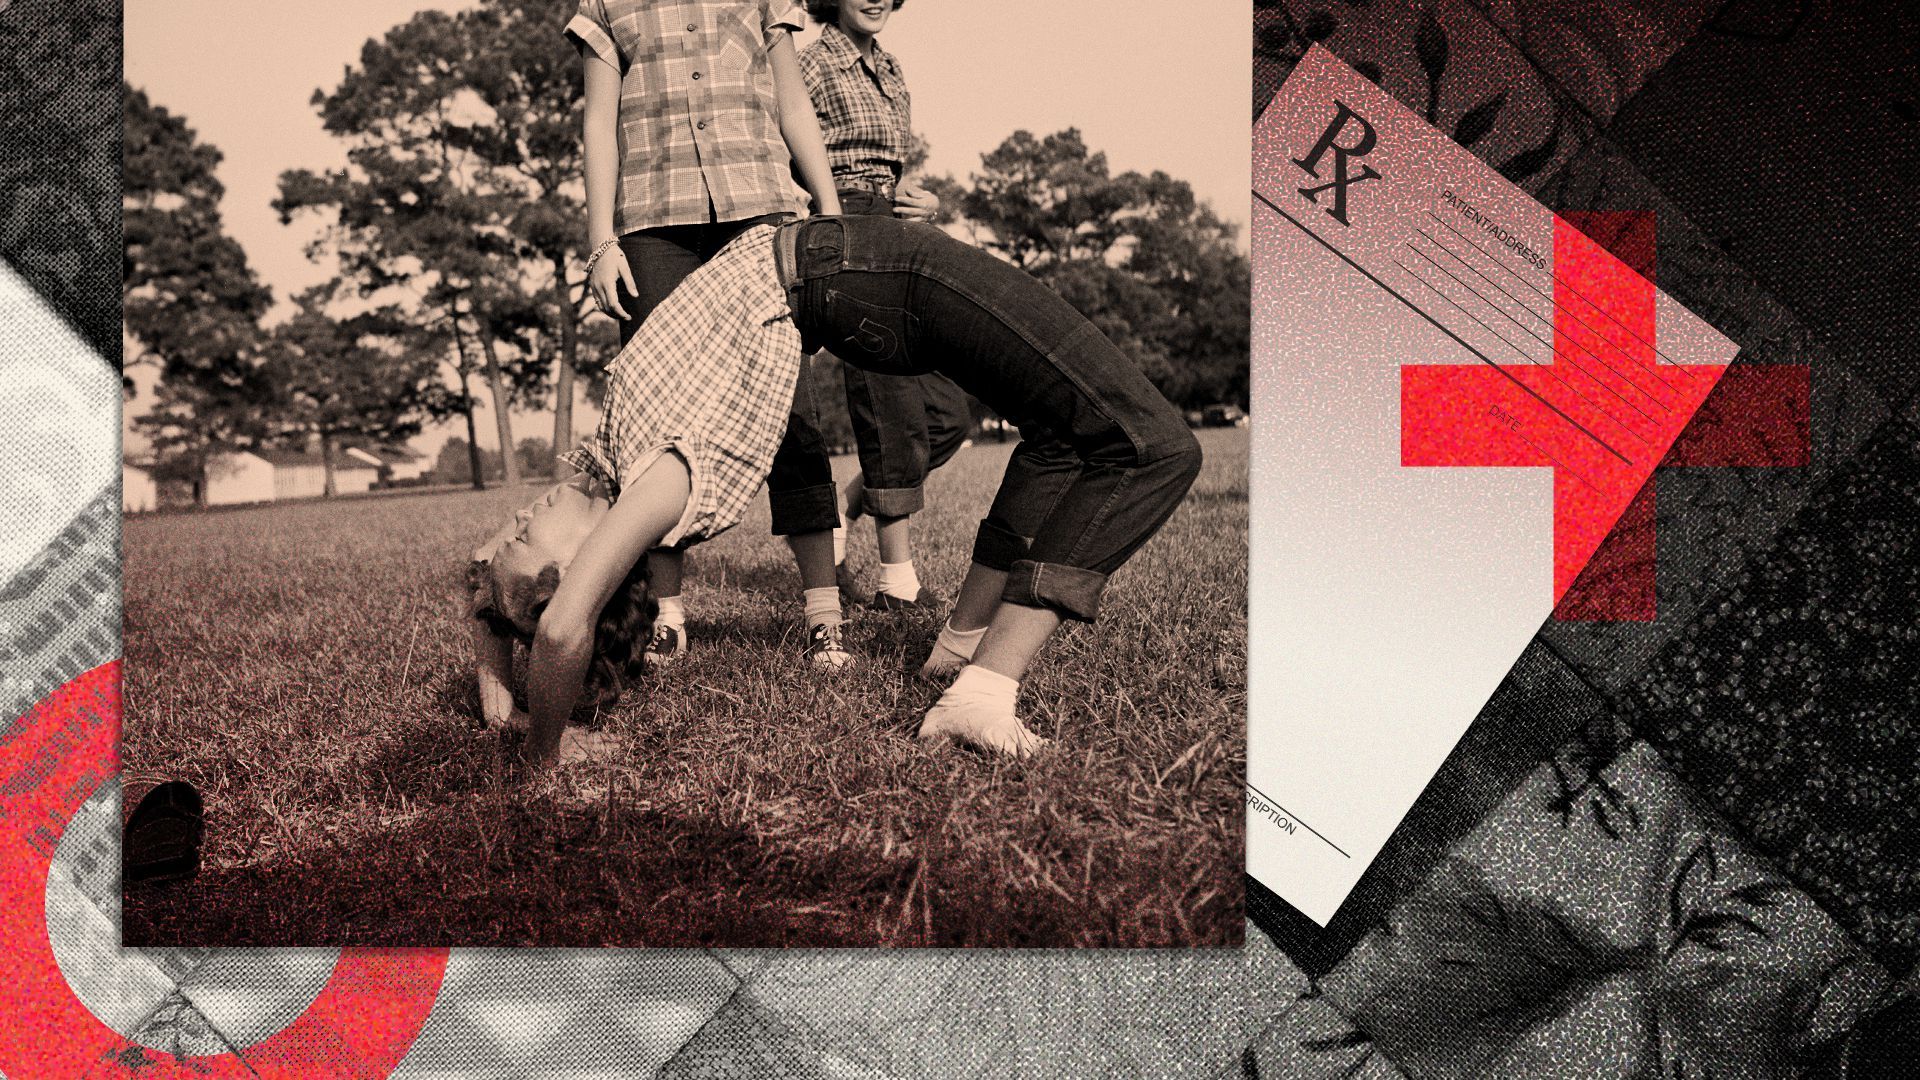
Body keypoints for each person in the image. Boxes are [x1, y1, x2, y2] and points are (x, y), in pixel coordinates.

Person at [468, 215, 1202, 766]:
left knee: (1058, 433)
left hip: (843, 273)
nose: (518, 519)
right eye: (524, 537)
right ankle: (982, 693)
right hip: (868, 275)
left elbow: (484, 582)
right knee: (1151, 445)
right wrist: (543, 756)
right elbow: (560, 629)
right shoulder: (656, 485)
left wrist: (504, 697)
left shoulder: (607, 462)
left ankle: (957, 651)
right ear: (578, 573)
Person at [568, 0, 854, 671]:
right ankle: (667, 618)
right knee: (654, 425)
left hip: (760, 211)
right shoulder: (604, 3)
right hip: (653, 226)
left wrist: (831, 210)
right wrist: (602, 242)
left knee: (792, 411)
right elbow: (599, 124)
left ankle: (824, 616)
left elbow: (792, 104)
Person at [797, 0, 973, 611]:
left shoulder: (892, 68)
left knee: (947, 415)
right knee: (888, 400)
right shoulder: (810, 64)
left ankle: (845, 506)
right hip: (841, 229)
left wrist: (922, 203)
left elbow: (889, 169)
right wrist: (827, 214)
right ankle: (898, 585)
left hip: (896, 227)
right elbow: (782, 150)